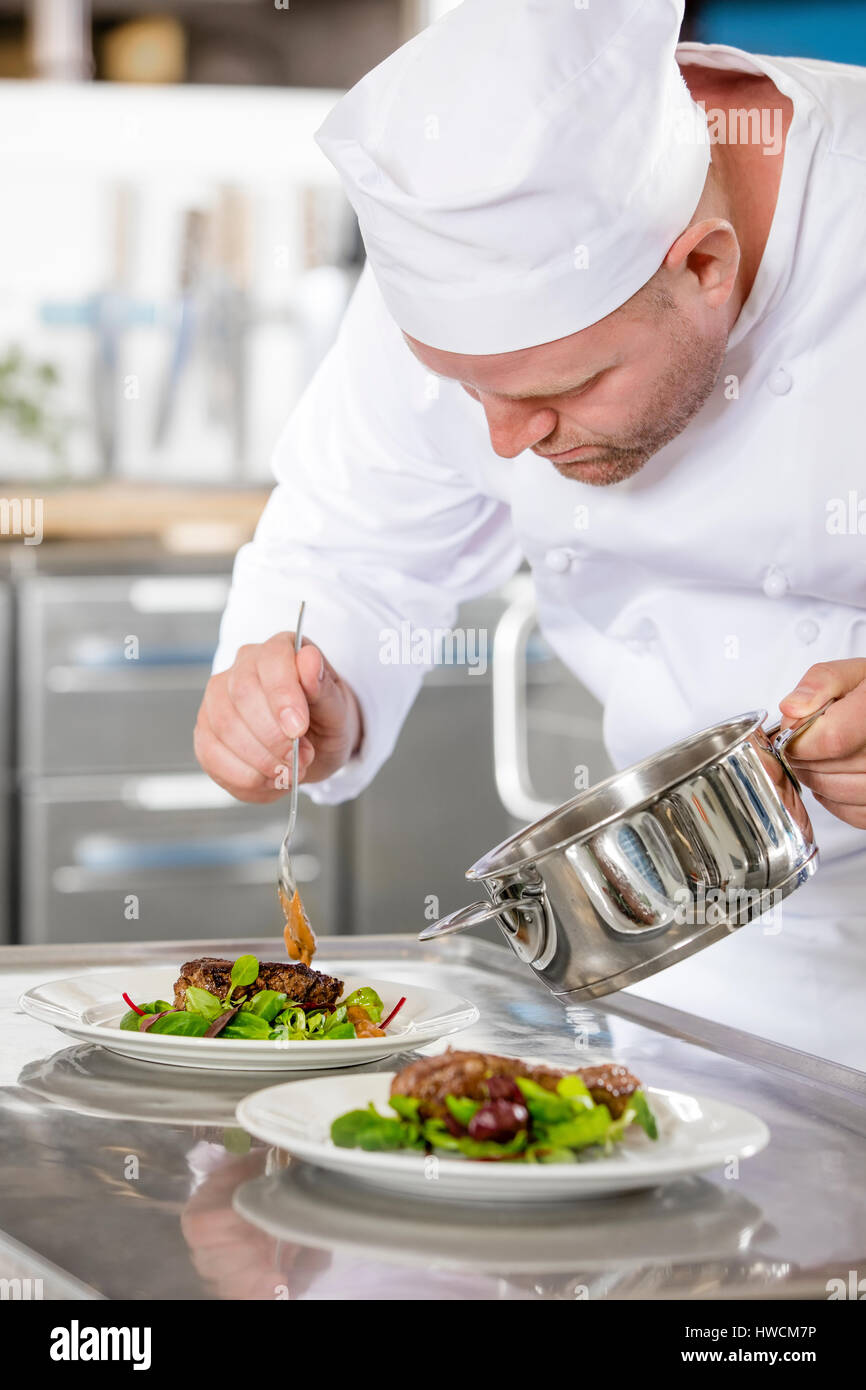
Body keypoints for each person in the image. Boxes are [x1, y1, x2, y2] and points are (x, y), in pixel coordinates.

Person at [195, 0, 866, 1067]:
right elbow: (352, 545)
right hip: (681, 958)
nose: (504, 442)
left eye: (565, 387)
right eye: (467, 393)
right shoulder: (462, 247)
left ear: (703, 262)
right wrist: (300, 691)